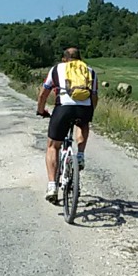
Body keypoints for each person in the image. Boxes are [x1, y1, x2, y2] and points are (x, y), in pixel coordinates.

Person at [36, 47, 98, 202]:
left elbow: (44, 93)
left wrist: (41, 110)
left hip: (63, 107)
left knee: (53, 146)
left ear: (64, 59)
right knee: (82, 124)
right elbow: (94, 95)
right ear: (80, 58)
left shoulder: (56, 69)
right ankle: (80, 155)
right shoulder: (89, 71)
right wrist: (89, 112)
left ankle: (52, 186)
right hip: (84, 108)